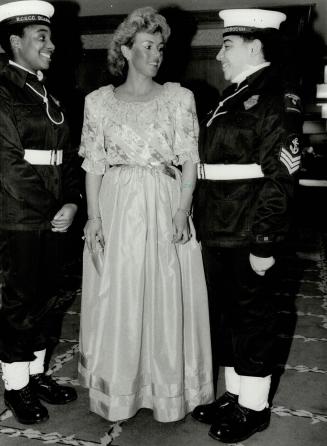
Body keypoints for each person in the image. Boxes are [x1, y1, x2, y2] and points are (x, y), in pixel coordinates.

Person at [78, 6, 214, 423]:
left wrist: (182, 209)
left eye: (160, 47)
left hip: (163, 200)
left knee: (164, 292)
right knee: (118, 295)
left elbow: (189, 160)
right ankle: (120, 389)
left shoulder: (178, 97)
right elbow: (94, 166)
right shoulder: (98, 102)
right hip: (117, 205)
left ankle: (166, 390)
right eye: (147, 46)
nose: (156, 54)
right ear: (125, 49)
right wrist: (94, 219)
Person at [191, 8, 303, 443]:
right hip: (219, 227)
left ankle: (254, 407)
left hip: (248, 230)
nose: (220, 54)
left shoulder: (276, 96)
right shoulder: (232, 94)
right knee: (230, 318)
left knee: (255, 319)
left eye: (227, 45)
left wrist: (264, 241)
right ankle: (235, 394)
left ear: (255, 46)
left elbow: (281, 178)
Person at [0, 0, 80, 425]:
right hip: (20, 212)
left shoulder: (47, 90)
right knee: (20, 300)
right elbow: (9, 165)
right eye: (40, 37)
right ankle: (15, 385)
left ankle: (34, 373)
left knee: (49, 297)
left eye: (50, 36)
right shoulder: (3, 88)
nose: (51, 45)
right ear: (15, 42)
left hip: (53, 211)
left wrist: (71, 201)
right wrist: (53, 209)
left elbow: (64, 155)